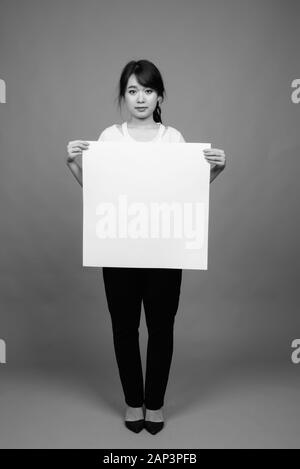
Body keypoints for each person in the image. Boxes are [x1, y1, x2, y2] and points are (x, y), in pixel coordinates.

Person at [65, 59, 226, 435]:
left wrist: (215, 170)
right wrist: (73, 165)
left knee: (161, 328)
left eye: (148, 90)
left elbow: (186, 195)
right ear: (124, 95)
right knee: (124, 328)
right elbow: (100, 194)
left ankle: (154, 405)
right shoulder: (109, 138)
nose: (140, 98)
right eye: (133, 90)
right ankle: (132, 402)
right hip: (119, 249)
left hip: (165, 250)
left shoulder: (174, 139)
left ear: (159, 96)